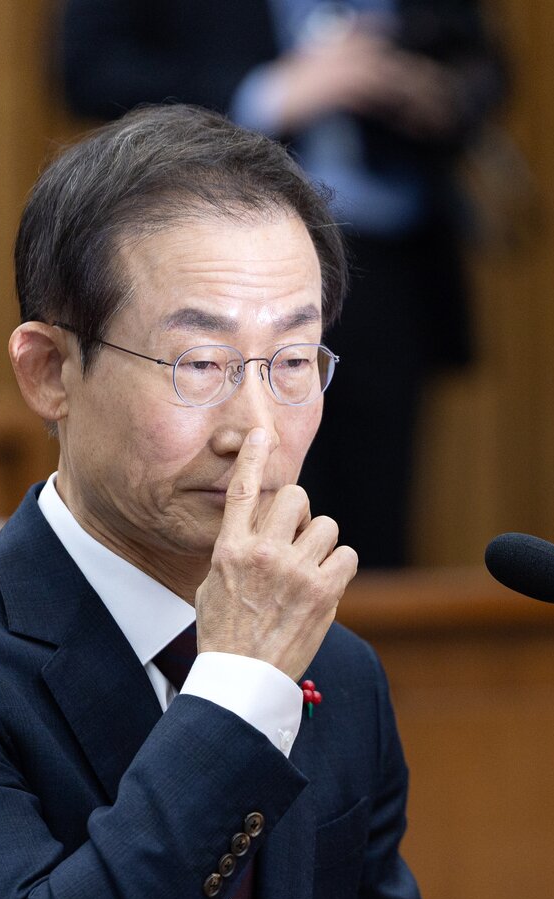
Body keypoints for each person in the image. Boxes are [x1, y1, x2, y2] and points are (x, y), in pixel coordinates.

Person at [0, 105, 421, 899]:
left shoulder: (338, 674)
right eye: (200, 363)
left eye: (289, 362)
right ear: (50, 371)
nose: (255, 431)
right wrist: (239, 691)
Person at [61, 0, 506, 567]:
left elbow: (484, 68)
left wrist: (431, 91)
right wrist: (269, 93)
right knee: (234, 501)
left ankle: (345, 651)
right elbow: (91, 69)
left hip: (393, 264)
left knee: (372, 526)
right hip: (213, 255)